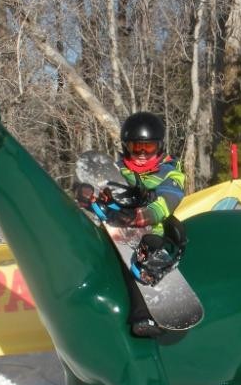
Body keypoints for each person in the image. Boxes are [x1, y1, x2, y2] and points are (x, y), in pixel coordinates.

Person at [74, 111, 187, 338]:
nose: (143, 154)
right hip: (112, 230)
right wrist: (85, 195)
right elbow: (100, 197)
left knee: (144, 257)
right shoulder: (117, 171)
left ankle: (144, 314)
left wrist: (140, 217)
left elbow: (167, 201)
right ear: (127, 147)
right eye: (137, 148)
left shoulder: (169, 173)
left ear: (160, 147)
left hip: (151, 233)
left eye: (149, 148)